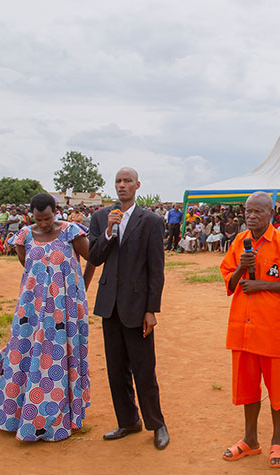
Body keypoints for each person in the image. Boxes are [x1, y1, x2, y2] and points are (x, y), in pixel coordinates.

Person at [0, 193, 91, 441]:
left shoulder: (71, 232)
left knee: (57, 358)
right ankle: (19, 415)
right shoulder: (23, 236)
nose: (43, 224)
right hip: (30, 309)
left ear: (56, 212)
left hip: (65, 310)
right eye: (38, 219)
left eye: (47, 218)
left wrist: (81, 287)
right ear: (31, 216)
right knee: (25, 352)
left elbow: (94, 258)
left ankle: (56, 418)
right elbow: (29, 268)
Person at [219, 191, 280, 468]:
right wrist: (241, 268)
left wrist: (263, 285)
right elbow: (229, 283)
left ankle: (277, 441)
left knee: (277, 389)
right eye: (248, 211)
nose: (251, 216)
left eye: (258, 211)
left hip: (272, 331)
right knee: (247, 387)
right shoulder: (239, 242)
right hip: (243, 331)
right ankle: (250, 440)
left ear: (271, 213)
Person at [88, 167, 169, 450]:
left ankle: (156, 424)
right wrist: (109, 232)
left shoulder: (151, 221)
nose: (122, 185)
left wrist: (151, 310)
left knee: (144, 369)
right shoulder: (101, 217)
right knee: (115, 369)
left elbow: (156, 269)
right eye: (118, 181)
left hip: (137, 306)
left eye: (127, 181)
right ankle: (128, 421)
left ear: (137, 185)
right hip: (109, 305)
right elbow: (95, 257)